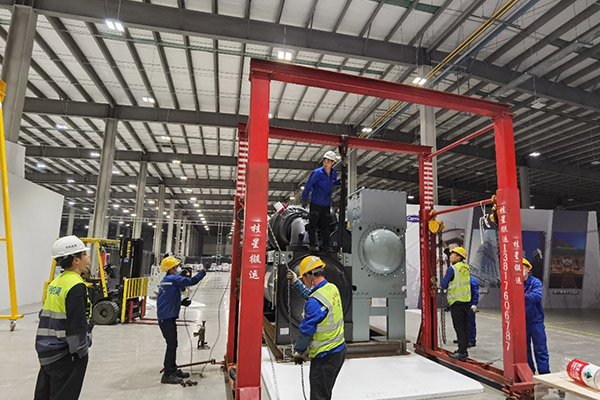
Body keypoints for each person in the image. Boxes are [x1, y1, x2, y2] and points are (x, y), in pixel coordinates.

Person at [34, 236, 93, 400]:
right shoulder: (76, 286)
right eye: (84, 254)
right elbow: (76, 325)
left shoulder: (55, 283)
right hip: (65, 354)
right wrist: (80, 352)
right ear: (76, 260)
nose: (88, 256)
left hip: (47, 349)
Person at [288, 256, 346, 400]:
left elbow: (306, 331)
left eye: (303, 279)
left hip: (324, 357)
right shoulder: (331, 288)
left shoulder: (314, 303)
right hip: (339, 351)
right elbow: (313, 296)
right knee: (325, 393)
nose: (303, 281)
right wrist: (296, 283)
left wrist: (299, 351)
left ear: (310, 276)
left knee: (319, 396)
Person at [157, 256, 206, 384]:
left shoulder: (166, 280)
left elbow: (168, 298)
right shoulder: (172, 279)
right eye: (176, 267)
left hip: (166, 317)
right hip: (166, 318)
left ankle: (173, 369)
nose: (178, 268)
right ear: (171, 269)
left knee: (173, 344)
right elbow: (193, 281)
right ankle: (168, 374)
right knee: (171, 345)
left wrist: (181, 302)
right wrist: (203, 271)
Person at [301, 150, 341, 252]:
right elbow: (308, 185)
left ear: (333, 163)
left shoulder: (333, 173)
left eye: (328, 161)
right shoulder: (317, 173)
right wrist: (304, 198)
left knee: (325, 226)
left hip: (326, 205)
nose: (325, 163)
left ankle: (325, 246)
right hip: (316, 203)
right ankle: (312, 244)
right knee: (312, 225)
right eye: (325, 161)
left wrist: (339, 182)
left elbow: (332, 182)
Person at [441, 246, 471, 362]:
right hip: (465, 301)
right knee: (465, 327)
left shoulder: (452, 269)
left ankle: (461, 352)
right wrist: (447, 250)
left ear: (459, 257)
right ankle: (464, 350)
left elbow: (444, 284)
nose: (451, 256)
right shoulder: (466, 267)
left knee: (459, 328)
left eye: (453, 255)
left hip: (456, 302)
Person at [523, 258, 550, 374]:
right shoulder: (515, 283)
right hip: (521, 322)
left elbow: (537, 297)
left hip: (535, 321)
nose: (520, 270)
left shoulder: (535, 282)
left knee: (540, 349)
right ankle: (530, 373)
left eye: (522, 267)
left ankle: (544, 374)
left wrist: (519, 295)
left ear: (528, 269)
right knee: (525, 350)